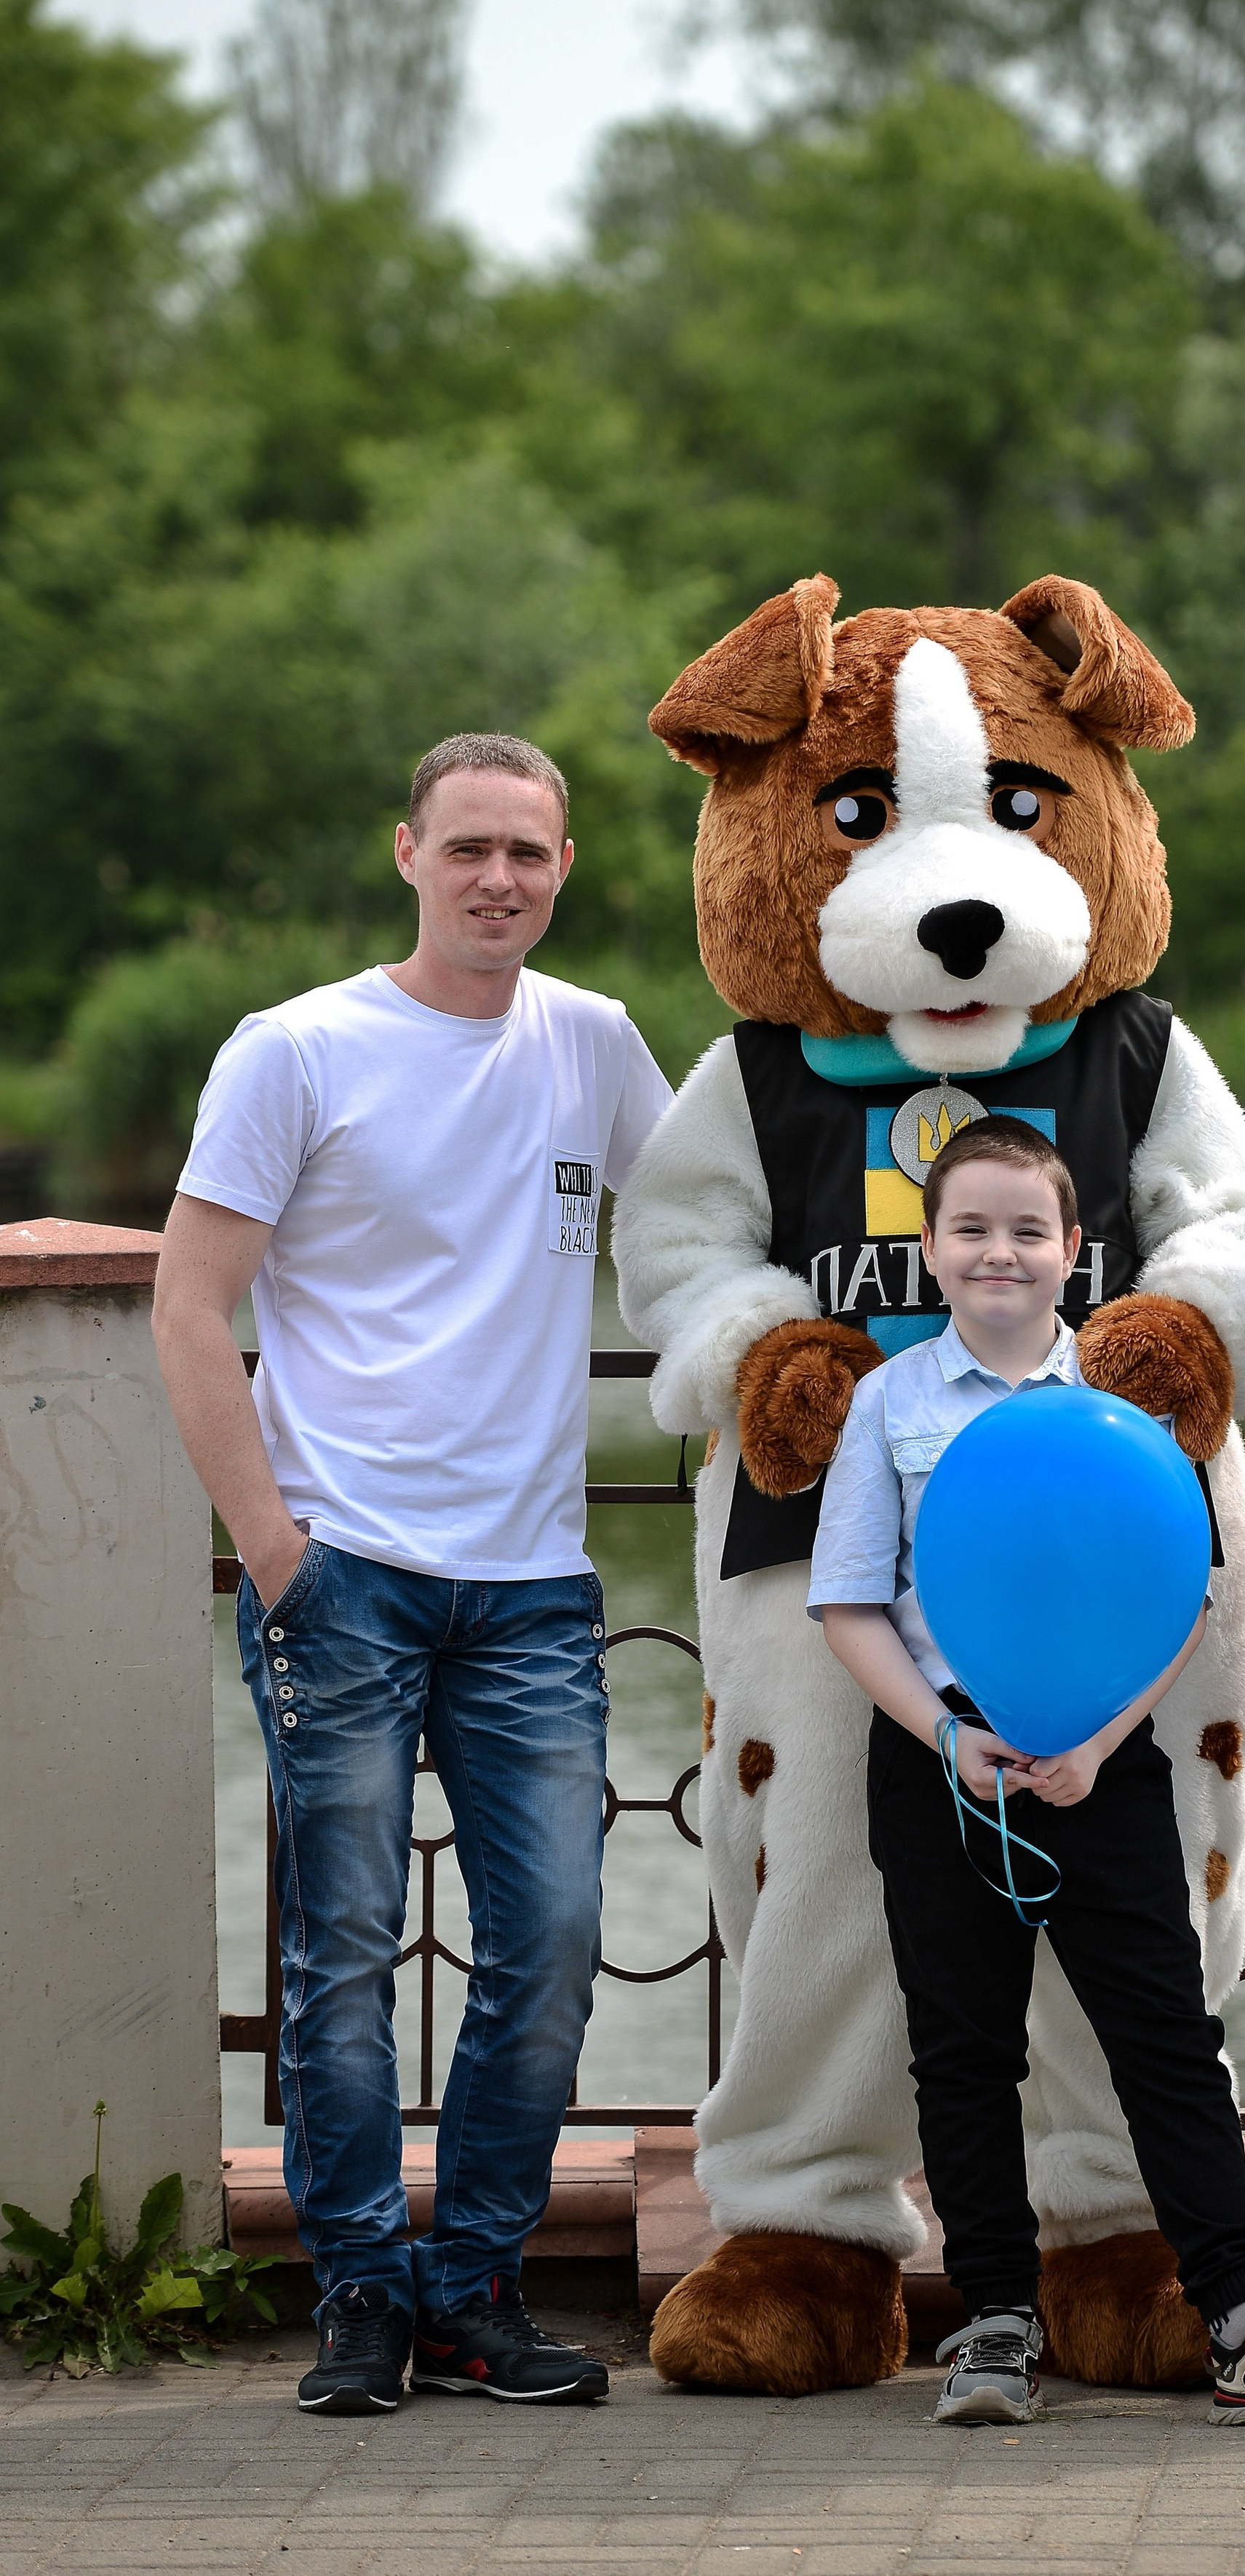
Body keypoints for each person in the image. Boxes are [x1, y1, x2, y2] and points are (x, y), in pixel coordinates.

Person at [151, 733, 672, 2420]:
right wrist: (275, 1551)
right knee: (345, 1954)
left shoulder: (596, 1045)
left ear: (565, 865)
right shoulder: (297, 1048)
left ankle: (476, 2289)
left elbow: (689, 1245)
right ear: (407, 852)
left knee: (557, 1941)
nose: (497, 879)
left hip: (532, 1587)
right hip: (345, 1578)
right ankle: (361, 2293)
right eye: (468, 849)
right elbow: (187, 1306)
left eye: (527, 851)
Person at [809, 1117, 1245, 2425]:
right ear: (931, 1247)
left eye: (1028, 1230)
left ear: (1073, 1251)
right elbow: (851, 1604)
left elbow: (1181, 1594)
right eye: (970, 1227)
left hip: (1103, 1760)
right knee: (962, 2050)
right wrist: (946, 1740)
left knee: (1165, 2038)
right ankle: (991, 2325)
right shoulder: (888, 1404)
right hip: (943, 1760)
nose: (999, 1253)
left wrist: (1095, 1741)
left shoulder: (1122, 1409)